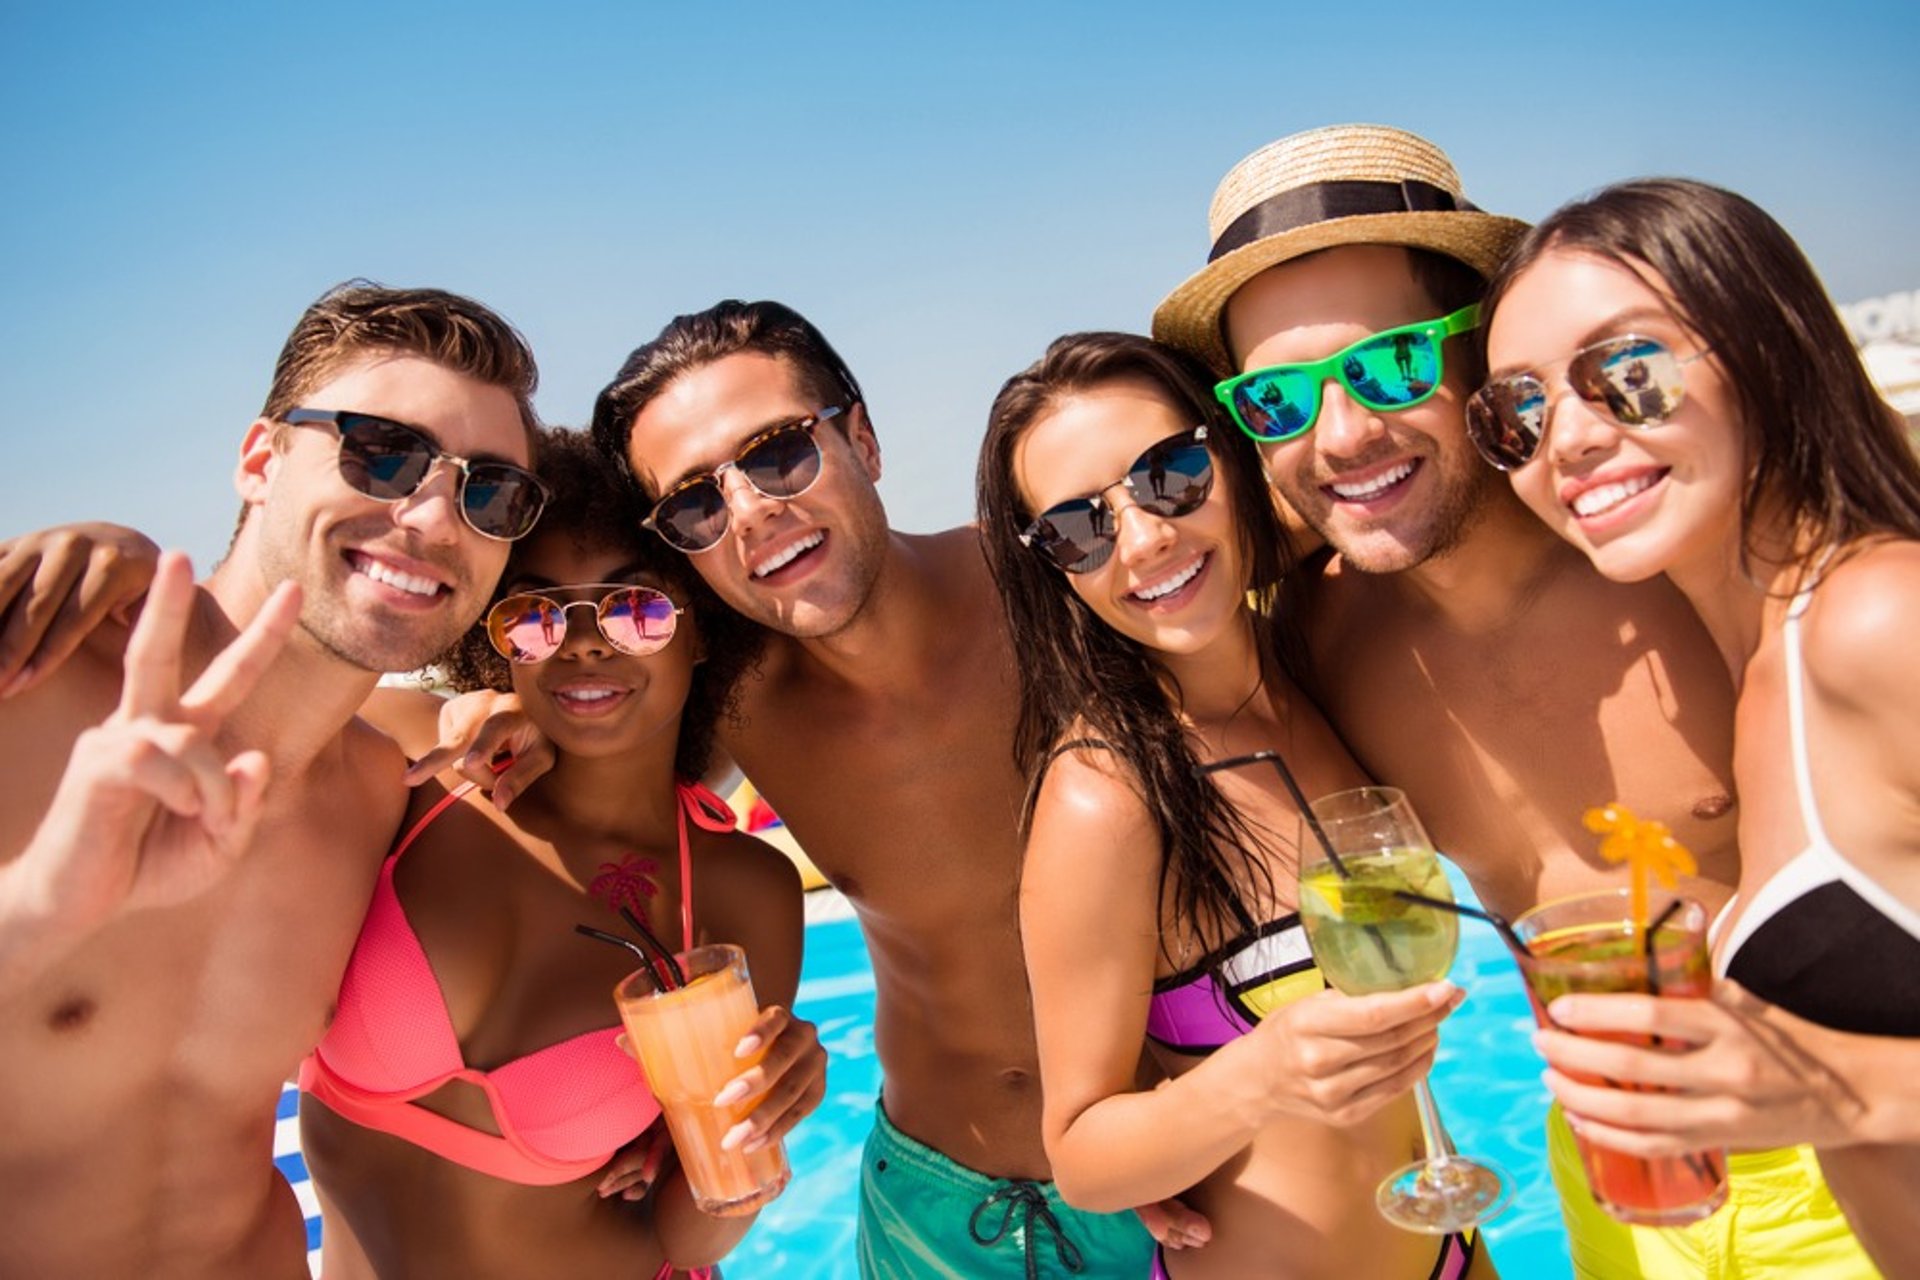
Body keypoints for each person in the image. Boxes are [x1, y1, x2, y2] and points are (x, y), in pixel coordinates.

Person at [1151, 126, 1877, 1276]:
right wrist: (1155, 1111)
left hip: (1845, 1154)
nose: (1341, 432)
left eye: (1390, 365)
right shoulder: (1314, 640)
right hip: (1606, 1167)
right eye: (1279, 400)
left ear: (1478, 353)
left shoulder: (1677, 555)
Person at [585, 301, 1163, 1276]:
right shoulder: (734, 703)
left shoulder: (1054, 585)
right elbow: (575, 821)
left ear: (862, 438)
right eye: (695, 503)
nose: (752, 509)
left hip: (1166, 1171)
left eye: (776, 455)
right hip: (934, 1211)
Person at [0, 283, 548, 1278]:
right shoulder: (29, 683)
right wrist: (37, 909)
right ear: (260, 460)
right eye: (382, 450)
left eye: (491, 491)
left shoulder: (386, 785)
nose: (432, 516)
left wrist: (530, 712)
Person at [1472, 176, 1920, 1276]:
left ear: (1763, 344)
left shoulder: (1878, 617)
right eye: (1518, 409)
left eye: (1625, 371)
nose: (1565, 437)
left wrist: (1835, 1084)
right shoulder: (1746, 662)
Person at [975, 330, 1486, 1279]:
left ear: (1230, 449)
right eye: (1079, 528)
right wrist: (1257, 1076)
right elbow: (1081, 1157)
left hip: (1449, 1247)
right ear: (1052, 567)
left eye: (1170, 474)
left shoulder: (1319, 666)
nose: (1146, 537)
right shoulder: (1109, 794)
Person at [298, 426, 821, 1278]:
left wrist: (765, 1128)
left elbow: (681, 1228)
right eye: (535, 612)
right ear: (490, 630)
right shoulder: (409, 765)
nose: (583, 642)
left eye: (637, 608)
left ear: (702, 632)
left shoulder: (737, 890)